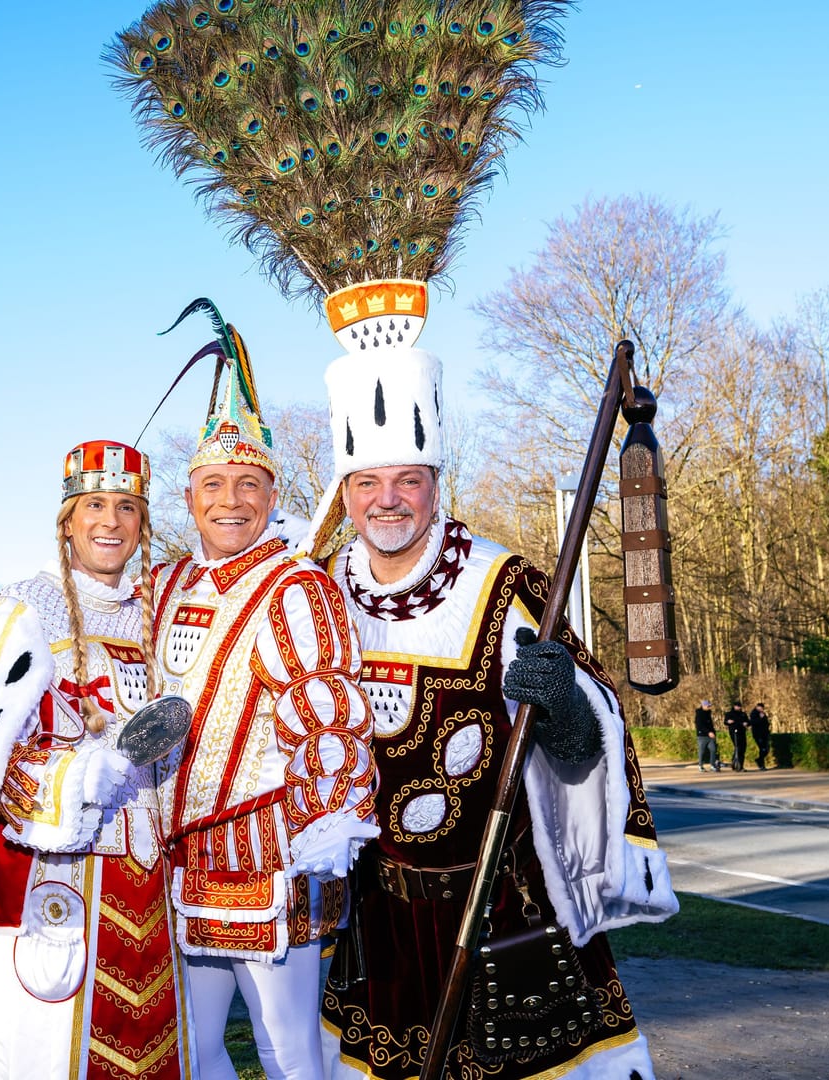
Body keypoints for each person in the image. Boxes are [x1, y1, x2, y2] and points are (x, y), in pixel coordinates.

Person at [298, 322, 677, 1080]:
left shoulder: (504, 584)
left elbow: (592, 743)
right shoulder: (310, 596)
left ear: (437, 482)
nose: (388, 500)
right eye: (367, 483)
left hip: (504, 912)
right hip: (376, 926)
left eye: (408, 479)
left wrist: (562, 703)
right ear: (344, 494)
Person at [0, 440, 190, 1079]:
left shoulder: (154, 616)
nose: (111, 521)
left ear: (143, 525)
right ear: (67, 520)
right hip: (63, 880)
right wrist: (72, 778)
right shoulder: (23, 608)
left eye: (128, 508)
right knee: (50, 1053)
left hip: (150, 883)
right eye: (96, 505)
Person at [148, 308, 378, 1080]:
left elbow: (328, 713)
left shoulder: (296, 586)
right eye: (214, 483)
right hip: (175, 859)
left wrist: (332, 818)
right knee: (192, 1047)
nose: (230, 500)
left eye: (248, 483)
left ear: (272, 491)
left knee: (289, 1052)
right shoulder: (167, 583)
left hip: (267, 856)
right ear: (190, 497)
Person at [723, 701, 750, 773]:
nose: (738, 707)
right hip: (734, 732)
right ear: (734, 706)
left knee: (743, 748)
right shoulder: (729, 714)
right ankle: (737, 765)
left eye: (739, 706)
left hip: (742, 732)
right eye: (737, 706)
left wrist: (746, 723)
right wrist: (728, 722)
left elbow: (748, 722)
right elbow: (725, 722)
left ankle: (738, 764)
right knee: (738, 747)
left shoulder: (743, 714)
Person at [694, 700, 720, 772]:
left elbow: (711, 725)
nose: (709, 707)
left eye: (709, 706)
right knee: (702, 751)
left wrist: (713, 732)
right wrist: (708, 732)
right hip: (702, 735)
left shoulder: (708, 713)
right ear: (703, 706)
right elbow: (700, 725)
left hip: (711, 735)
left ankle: (712, 765)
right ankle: (700, 765)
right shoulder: (699, 714)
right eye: (708, 706)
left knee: (713, 749)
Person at [749, 701, 773, 770]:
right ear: (757, 707)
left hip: (764, 734)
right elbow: (753, 723)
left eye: (762, 708)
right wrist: (760, 718)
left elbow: (766, 723)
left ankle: (759, 760)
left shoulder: (763, 714)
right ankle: (761, 764)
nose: (761, 709)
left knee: (766, 749)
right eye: (760, 708)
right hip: (758, 734)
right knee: (762, 749)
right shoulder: (753, 713)